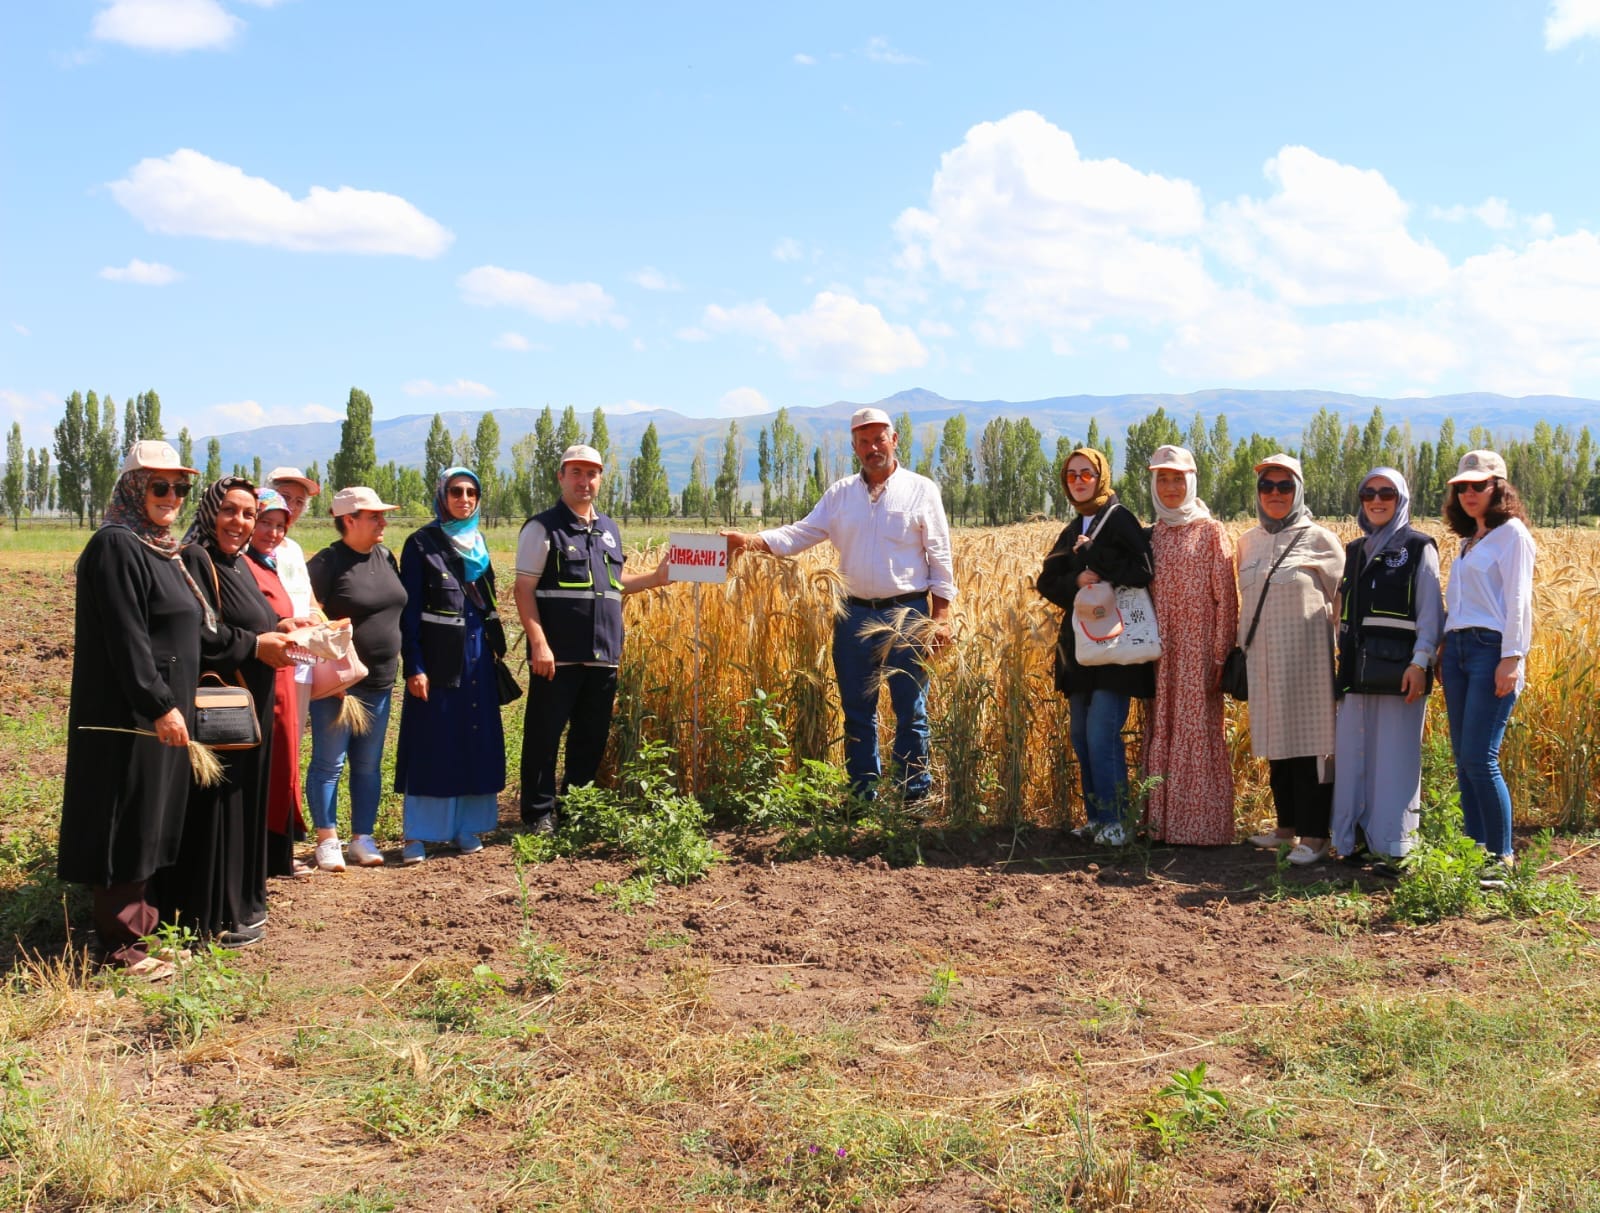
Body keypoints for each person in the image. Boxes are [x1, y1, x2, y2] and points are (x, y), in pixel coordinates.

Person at [721, 409, 955, 803]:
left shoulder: (921, 490)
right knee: (857, 712)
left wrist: (942, 617)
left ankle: (913, 800)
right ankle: (863, 798)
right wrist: (750, 540)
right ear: (854, 447)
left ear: (894, 440)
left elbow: (940, 556)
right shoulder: (840, 494)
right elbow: (801, 533)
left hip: (909, 613)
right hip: (853, 615)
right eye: (863, 442)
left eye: (879, 439)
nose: (872, 448)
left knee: (911, 711)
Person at [59, 441, 206, 978]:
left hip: (162, 712)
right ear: (131, 488)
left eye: (179, 488)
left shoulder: (160, 547)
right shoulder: (116, 546)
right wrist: (160, 703)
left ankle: (143, 933)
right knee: (125, 820)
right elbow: (128, 640)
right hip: (132, 715)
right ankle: (121, 949)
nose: (171, 497)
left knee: (150, 820)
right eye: (158, 486)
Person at [156, 478, 299, 946]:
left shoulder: (238, 564)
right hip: (220, 705)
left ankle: (240, 905)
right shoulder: (197, 559)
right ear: (210, 511)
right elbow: (201, 633)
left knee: (243, 803)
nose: (240, 523)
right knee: (217, 807)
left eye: (248, 515)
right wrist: (258, 644)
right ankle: (210, 914)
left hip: (250, 703)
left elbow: (244, 620)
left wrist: (283, 627)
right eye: (231, 511)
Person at [514, 445, 669, 833]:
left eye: (592, 474)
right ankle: (538, 814)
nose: (585, 481)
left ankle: (575, 808)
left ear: (600, 479)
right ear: (561, 477)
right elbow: (523, 590)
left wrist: (657, 577)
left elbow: (616, 585)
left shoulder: (610, 530)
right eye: (576, 473)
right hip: (558, 655)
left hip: (603, 654)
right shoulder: (542, 528)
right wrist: (539, 644)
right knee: (544, 736)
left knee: (590, 737)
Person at [1036, 446, 1154, 845]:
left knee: (1103, 732)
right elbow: (1046, 582)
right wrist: (1076, 581)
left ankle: (1118, 820)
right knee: (1081, 736)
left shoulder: (1119, 519)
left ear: (1101, 475)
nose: (1079, 481)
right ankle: (1097, 819)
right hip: (1080, 648)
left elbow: (1142, 570)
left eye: (1087, 473)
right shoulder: (1072, 527)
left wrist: (1094, 559)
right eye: (1072, 475)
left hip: (1117, 646)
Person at [1331, 468, 1443, 872]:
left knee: (1395, 757)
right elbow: (1343, 615)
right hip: (1357, 672)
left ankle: (1396, 846)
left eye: (1387, 493)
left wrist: (1420, 661)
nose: (1377, 501)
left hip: (1399, 672)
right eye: (1368, 493)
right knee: (1354, 756)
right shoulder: (1354, 550)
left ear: (1402, 500)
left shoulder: (1418, 548)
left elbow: (1431, 611)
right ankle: (1353, 840)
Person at [396, 467, 507, 862]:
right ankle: (418, 834)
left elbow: (489, 602)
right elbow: (407, 613)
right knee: (432, 741)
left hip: (477, 659)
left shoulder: (478, 543)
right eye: (456, 491)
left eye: (472, 492)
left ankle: (465, 827)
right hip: (439, 659)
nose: (464, 498)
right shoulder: (420, 544)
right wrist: (414, 665)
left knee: (473, 738)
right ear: (442, 495)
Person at [1237, 454, 1344, 865]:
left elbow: (1340, 600)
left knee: (1311, 746)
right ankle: (1285, 828)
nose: (1275, 494)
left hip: (1308, 663)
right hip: (1263, 661)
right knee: (1276, 743)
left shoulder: (1320, 539)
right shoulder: (1248, 541)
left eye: (1284, 486)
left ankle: (1315, 835)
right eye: (1267, 486)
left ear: (1298, 490)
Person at [1439, 450, 1535, 882]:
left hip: (1490, 650)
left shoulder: (1511, 534)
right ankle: (1473, 850)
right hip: (1458, 650)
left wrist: (1512, 658)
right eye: (1463, 487)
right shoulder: (1468, 541)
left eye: (1480, 485)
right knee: (1463, 757)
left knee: (1482, 758)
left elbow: (1518, 600)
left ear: (1499, 487)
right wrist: (1444, 648)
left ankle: (1501, 856)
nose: (1470, 493)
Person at [1141, 444, 1239, 846]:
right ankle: (1160, 825)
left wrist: (1220, 654)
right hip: (1161, 654)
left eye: (1177, 478)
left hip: (1199, 654)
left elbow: (1226, 598)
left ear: (1192, 481)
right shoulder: (1153, 535)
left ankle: (1203, 830)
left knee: (1198, 734)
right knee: (1161, 728)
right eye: (1162, 478)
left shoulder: (1210, 531)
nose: (1169, 486)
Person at [305, 487, 407, 870]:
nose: (383, 521)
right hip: (340, 685)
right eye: (374, 516)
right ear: (349, 520)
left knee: (368, 764)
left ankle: (362, 837)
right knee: (329, 762)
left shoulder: (384, 556)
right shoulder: (328, 562)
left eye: (383, 515)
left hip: (380, 682)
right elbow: (309, 609)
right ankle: (327, 839)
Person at [244, 487, 316, 879]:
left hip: (285, 674)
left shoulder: (269, 563)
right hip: (257, 677)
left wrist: (292, 624)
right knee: (264, 764)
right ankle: (262, 854)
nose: (272, 532)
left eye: (279, 525)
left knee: (285, 760)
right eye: (265, 523)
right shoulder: (238, 565)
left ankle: (278, 852)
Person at [267, 467, 321, 729]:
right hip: (271, 657)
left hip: (302, 662)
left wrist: (318, 621)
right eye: (285, 496)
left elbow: (309, 600)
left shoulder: (295, 549)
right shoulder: (250, 546)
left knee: (292, 739)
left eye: (300, 501)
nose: (292, 506)